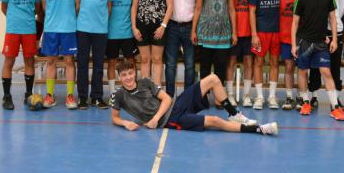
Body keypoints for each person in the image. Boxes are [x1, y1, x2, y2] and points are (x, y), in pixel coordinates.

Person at [110, 59, 278, 135]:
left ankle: (234, 114)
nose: (128, 78)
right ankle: (259, 129)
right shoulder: (118, 95)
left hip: (176, 104)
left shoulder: (145, 82)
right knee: (214, 121)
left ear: (135, 73)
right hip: (172, 120)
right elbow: (115, 118)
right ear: (119, 77)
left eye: (131, 73)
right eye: (124, 75)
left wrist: (154, 118)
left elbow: (167, 98)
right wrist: (126, 123)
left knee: (212, 79)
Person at [291, 0, 344, 121]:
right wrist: (294, 44)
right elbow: (294, 23)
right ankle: (306, 102)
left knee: (326, 72)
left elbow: (333, 18)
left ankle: (335, 107)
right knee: (302, 72)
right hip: (304, 42)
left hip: (321, 42)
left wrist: (334, 39)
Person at [191, 0, 237, 107]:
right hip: (205, 33)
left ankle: (219, 98)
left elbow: (231, 10)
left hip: (223, 34)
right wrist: (194, 31)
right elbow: (198, 9)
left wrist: (234, 32)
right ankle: (203, 97)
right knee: (204, 67)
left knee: (220, 67)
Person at [38, 0, 80, 109]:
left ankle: (70, 96)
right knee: (51, 61)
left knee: (70, 61)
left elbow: (77, 4)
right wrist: (52, 18)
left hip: (69, 28)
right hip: (51, 28)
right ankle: (50, 95)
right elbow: (44, 5)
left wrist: (68, 17)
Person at [0, 0, 42, 110]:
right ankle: (7, 96)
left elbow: (37, 8)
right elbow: (4, 7)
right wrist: (14, 18)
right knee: (9, 62)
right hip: (13, 30)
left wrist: (26, 18)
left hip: (29, 29)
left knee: (29, 61)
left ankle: (28, 94)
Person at [76, 0, 115, 109]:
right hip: (83, 29)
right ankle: (83, 97)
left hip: (100, 30)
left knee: (99, 65)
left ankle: (97, 97)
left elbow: (109, 7)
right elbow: (77, 4)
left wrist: (102, 21)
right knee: (83, 64)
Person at [308, 0, 344, 109]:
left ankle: (335, 99)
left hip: (334, 31)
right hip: (316, 32)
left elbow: (342, 10)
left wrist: (333, 23)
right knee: (315, 66)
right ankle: (314, 96)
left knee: (334, 66)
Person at [249, 0, 284, 110]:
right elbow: (251, 12)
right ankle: (259, 97)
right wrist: (254, 34)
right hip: (261, 31)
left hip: (277, 31)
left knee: (275, 63)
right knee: (258, 63)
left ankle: (271, 97)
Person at [131, 0, 173, 85]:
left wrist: (163, 26)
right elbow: (134, 7)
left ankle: (157, 90)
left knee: (157, 59)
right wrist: (134, 27)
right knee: (144, 59)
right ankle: (145, 90)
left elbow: (170, 7)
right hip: (142, 26)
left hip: (159, 27)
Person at [164, 0, 201, 97]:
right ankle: (169, 95)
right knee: (171, 64)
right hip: (172, 27)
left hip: (190, 28)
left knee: (190, 64)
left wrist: (195, 29)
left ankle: (188, 96)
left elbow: (199, 7)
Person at [106, 0, 136, 96]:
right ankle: (113, 91)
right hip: (111, 33)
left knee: (130, 62)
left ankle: (131, 88)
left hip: (127, 32)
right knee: (111, 61)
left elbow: (135, 9)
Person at [228, 0, 254, 107]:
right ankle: (230, 95)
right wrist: (232, 31)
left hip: (250, 33)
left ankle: (246, 96)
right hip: (233, 33)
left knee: (248, 63)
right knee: (231, 62)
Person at [279, 0, 303, 110]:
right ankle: (288, 97)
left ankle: (301, 97)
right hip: (286, 37)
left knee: (301, 68)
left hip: (302, 38)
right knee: (289, 67)